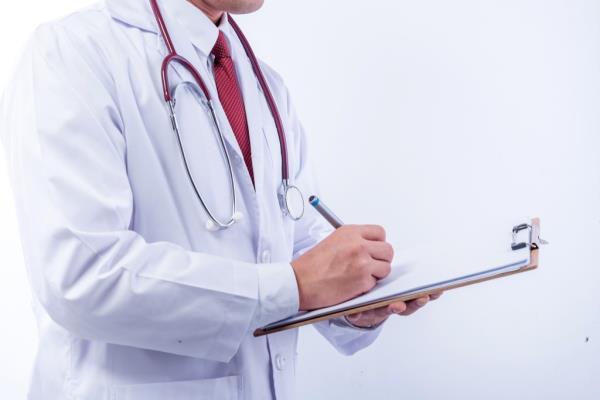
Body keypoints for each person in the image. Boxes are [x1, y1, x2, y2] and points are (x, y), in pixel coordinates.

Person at [0, 0, 441, 398]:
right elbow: (82, 275)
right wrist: (293, 286)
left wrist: (355, 299)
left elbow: (293, 243)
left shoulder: (265, 85)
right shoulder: (75, 54)